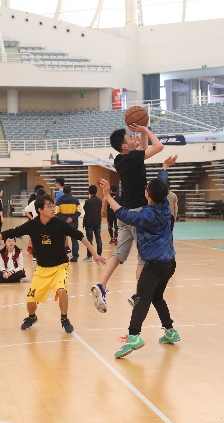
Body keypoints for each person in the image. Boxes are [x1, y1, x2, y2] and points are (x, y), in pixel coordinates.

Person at [0, 196, 106, 334]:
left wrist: (94, 253)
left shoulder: (59, 223)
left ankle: (64, 319)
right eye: (49, 206)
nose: (53, 208)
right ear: (40, 210)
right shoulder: (32, 225)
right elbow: (11, 232)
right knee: (31, 301)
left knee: (62, 290)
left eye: (53, 205)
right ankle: (32, 317)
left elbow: (79, 235)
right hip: (42, 269)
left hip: (60, 266)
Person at [98, 154, 180, 358]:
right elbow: (161, 183)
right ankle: (170, 331)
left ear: (148, 194)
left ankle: (134, 336)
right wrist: (164, 167)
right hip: (170, 263)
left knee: (142, 299)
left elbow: (123, 214)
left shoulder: (146, 215)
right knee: (157, 297)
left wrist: (107, 196)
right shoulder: (164, 204)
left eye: (147, 189)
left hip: (154, 266)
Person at [91, 124, 164, 313]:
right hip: (137, 214)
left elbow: (142, 148)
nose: (134, 139)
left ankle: (101, 285)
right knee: (144, 256)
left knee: (119, 254)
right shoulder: (133, 158)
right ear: (125, 146)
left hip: (123, 213)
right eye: (131, 138)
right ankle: (139, 294)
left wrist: (141, 132)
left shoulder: (120, 159)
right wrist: (146, 130)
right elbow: (158, 147)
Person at [56, 185, 81, 262]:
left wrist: (65, 219)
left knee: (61, 240)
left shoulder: (59, 201)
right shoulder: (75, 201)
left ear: (63, 192)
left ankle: (62, 256)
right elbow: (79, 211)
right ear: (71, 191)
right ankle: (75, 256)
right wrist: (72, 218)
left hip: (62, 224)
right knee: (74, 240)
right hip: (73, 223)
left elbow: (57, 212)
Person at [23, 188, 47, 263]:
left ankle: (35, 257)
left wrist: (32, 219)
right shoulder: (46, 202)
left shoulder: (33, 202)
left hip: (36, 222)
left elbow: (26, 210)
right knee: (45, 239)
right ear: (44, 194)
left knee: (36, 240)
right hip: (45, 222)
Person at [83, 185, 103, 262]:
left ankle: (89, 256)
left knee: (89, 240)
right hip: (97, 222)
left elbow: (85, 210)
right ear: (96, 191)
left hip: (89, 222)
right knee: (98, 239)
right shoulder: (99, 201)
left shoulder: (87, 202)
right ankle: (99, 255)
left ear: (89, 192)